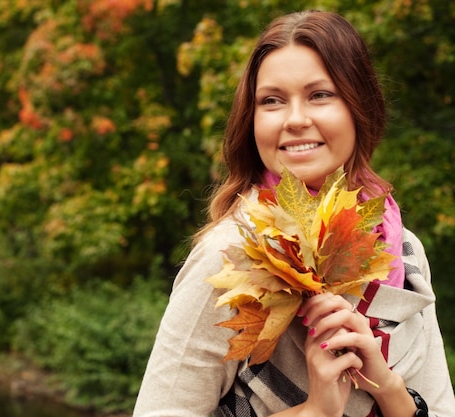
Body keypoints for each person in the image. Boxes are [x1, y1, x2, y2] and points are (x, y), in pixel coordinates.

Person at [133, 10, 455, 417]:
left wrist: (389, 387)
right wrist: (314, 411)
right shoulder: (231, 255)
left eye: (320, 95)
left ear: (360, 107)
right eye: (272, 101)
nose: (296, 120)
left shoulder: (404, 252)